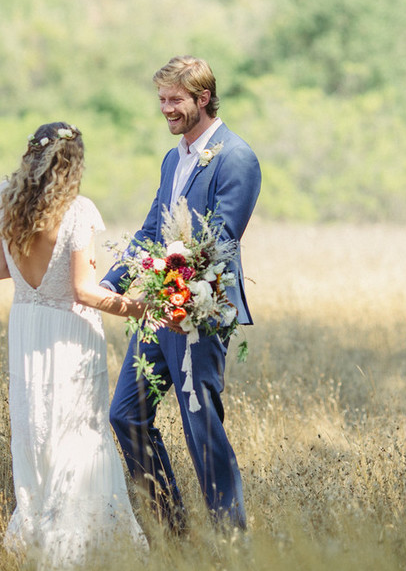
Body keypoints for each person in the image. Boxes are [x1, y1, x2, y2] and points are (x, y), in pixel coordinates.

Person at [102, 56, 261, 532]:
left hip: (200, 311)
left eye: (176, 100)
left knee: (201, 427)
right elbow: (154, 227)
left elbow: (219, 239)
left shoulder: (236, 157)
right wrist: (114, 280)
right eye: (162, 100)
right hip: (158, 310)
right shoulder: (174, 157)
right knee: (126, 414)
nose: (167, 109)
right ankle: (174, 531)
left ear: (203, 98)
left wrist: (171, 287)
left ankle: (231, 538)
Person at [0, 121, 148, 568]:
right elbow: (85, 291)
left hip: (27, 326)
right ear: (72, 164)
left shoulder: (4, 202)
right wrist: (140, 307)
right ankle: (77, 541)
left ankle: (39, 527)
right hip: (70, 332)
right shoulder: (77, 212)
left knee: (36, 425)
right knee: (78, 430)